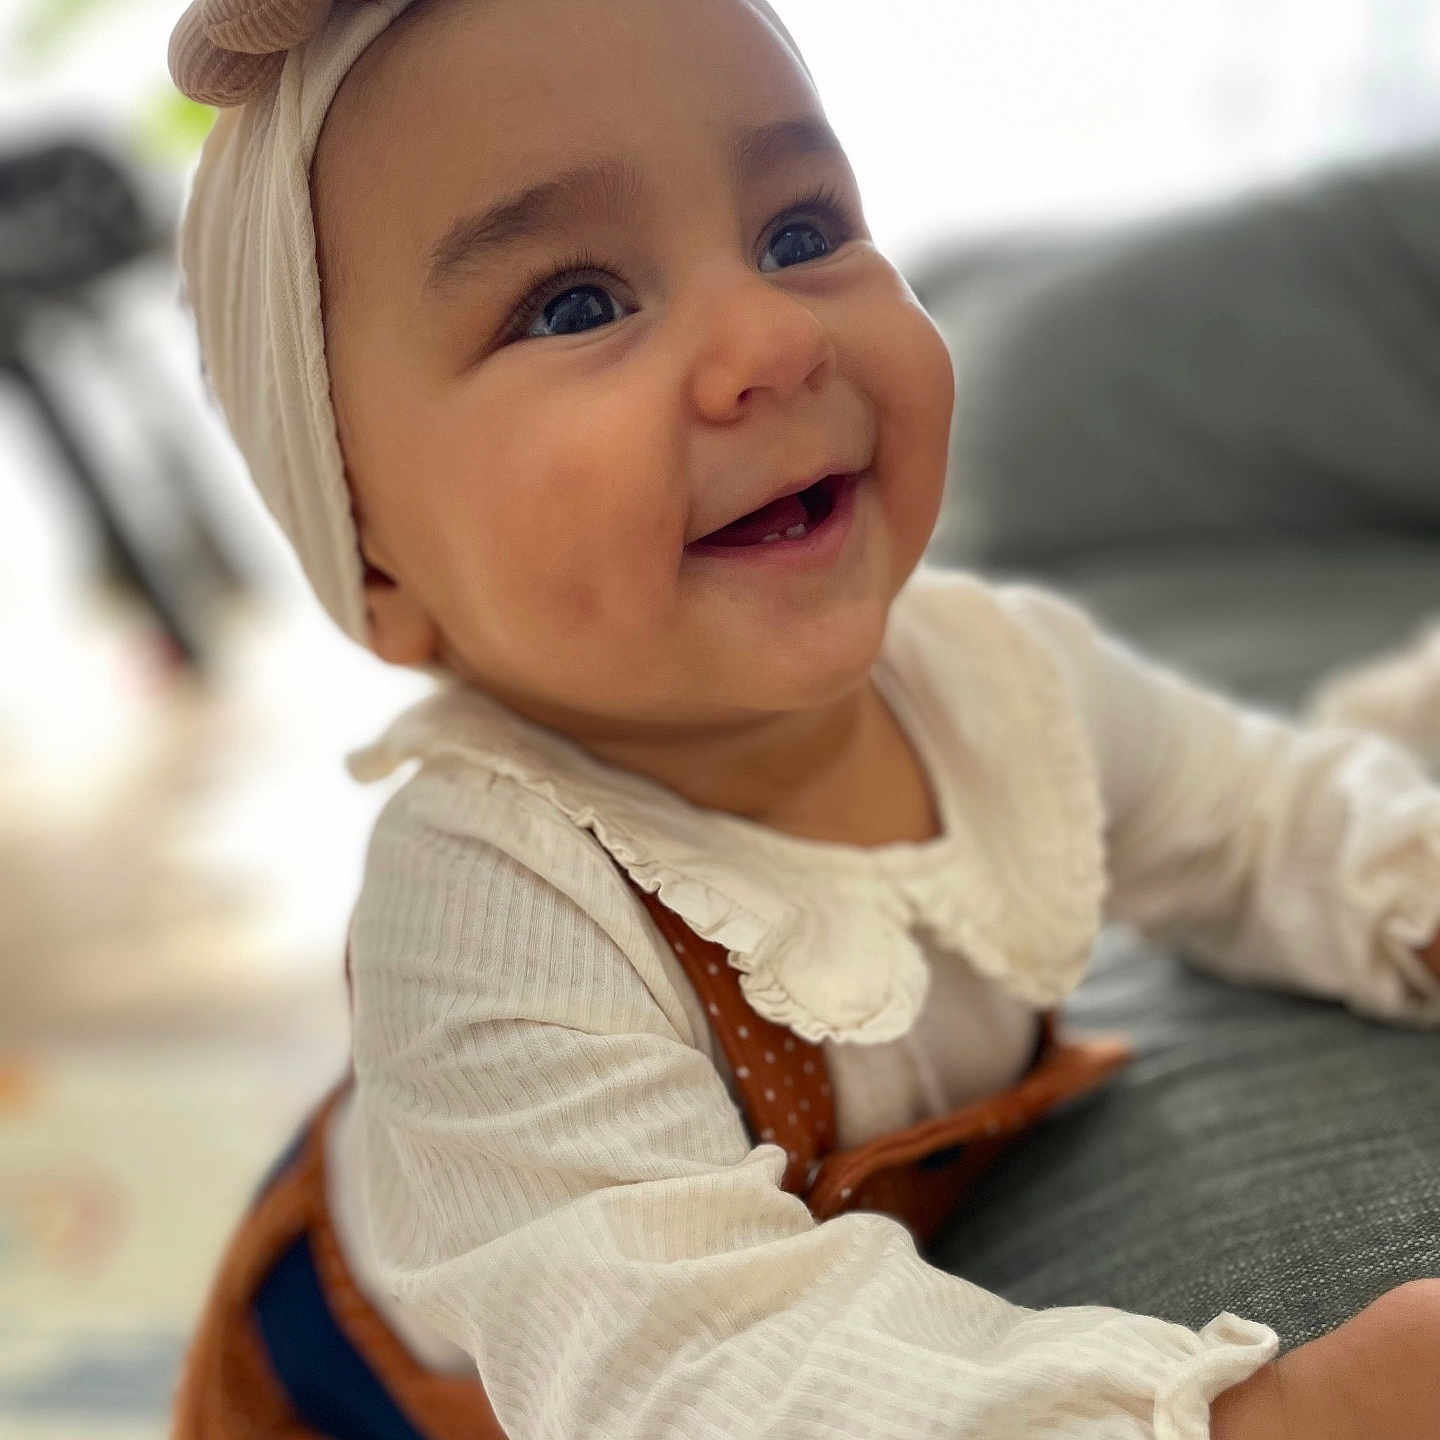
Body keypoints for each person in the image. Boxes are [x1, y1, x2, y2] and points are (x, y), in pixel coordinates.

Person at [165, 1, 1440, 1436]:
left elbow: (1265, 822)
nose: (769, 334)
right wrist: (1275, 1416)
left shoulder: (993, 678)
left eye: (798, 230)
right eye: (577, 302)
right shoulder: (487, 908)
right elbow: (707, 1373)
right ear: (374, 557)